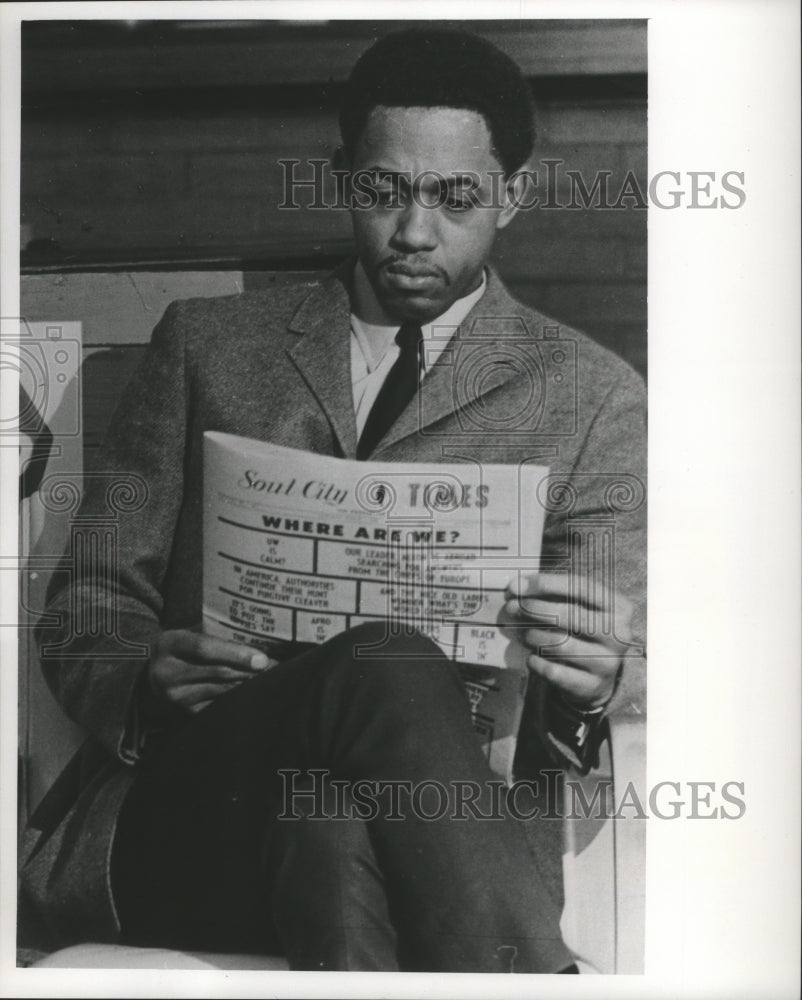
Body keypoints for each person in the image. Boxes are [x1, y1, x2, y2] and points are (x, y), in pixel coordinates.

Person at [21, 28, 646, 973]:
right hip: (196, 815)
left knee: (329, 821)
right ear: (342, 176)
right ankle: (535, 981)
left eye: (455, 198)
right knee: (384, 662)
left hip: (423, 844)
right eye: (384, 190)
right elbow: (87, 605)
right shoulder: (205, 345)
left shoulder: (592, 396)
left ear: (512, 197)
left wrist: (595, 681)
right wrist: (142, 679)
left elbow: (617, 667)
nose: (414, 233)